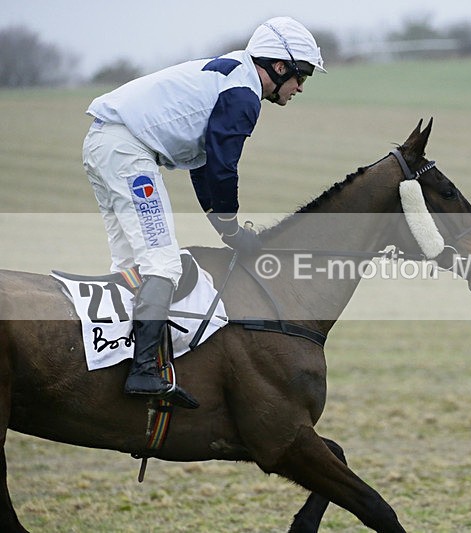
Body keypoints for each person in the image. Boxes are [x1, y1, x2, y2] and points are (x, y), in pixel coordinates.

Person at [82, 17, 325, 408]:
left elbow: (204, 161)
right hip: (127, 151)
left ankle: (119, 358)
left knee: (131, 262)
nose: (299, 88)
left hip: (107, 143)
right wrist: (229, 224)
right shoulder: (243, 94)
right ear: (280, 67)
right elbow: (223, 164)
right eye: (302, 77)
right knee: (162, 263)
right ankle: (144, 372)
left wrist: (222, 224)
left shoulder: (232, 75)